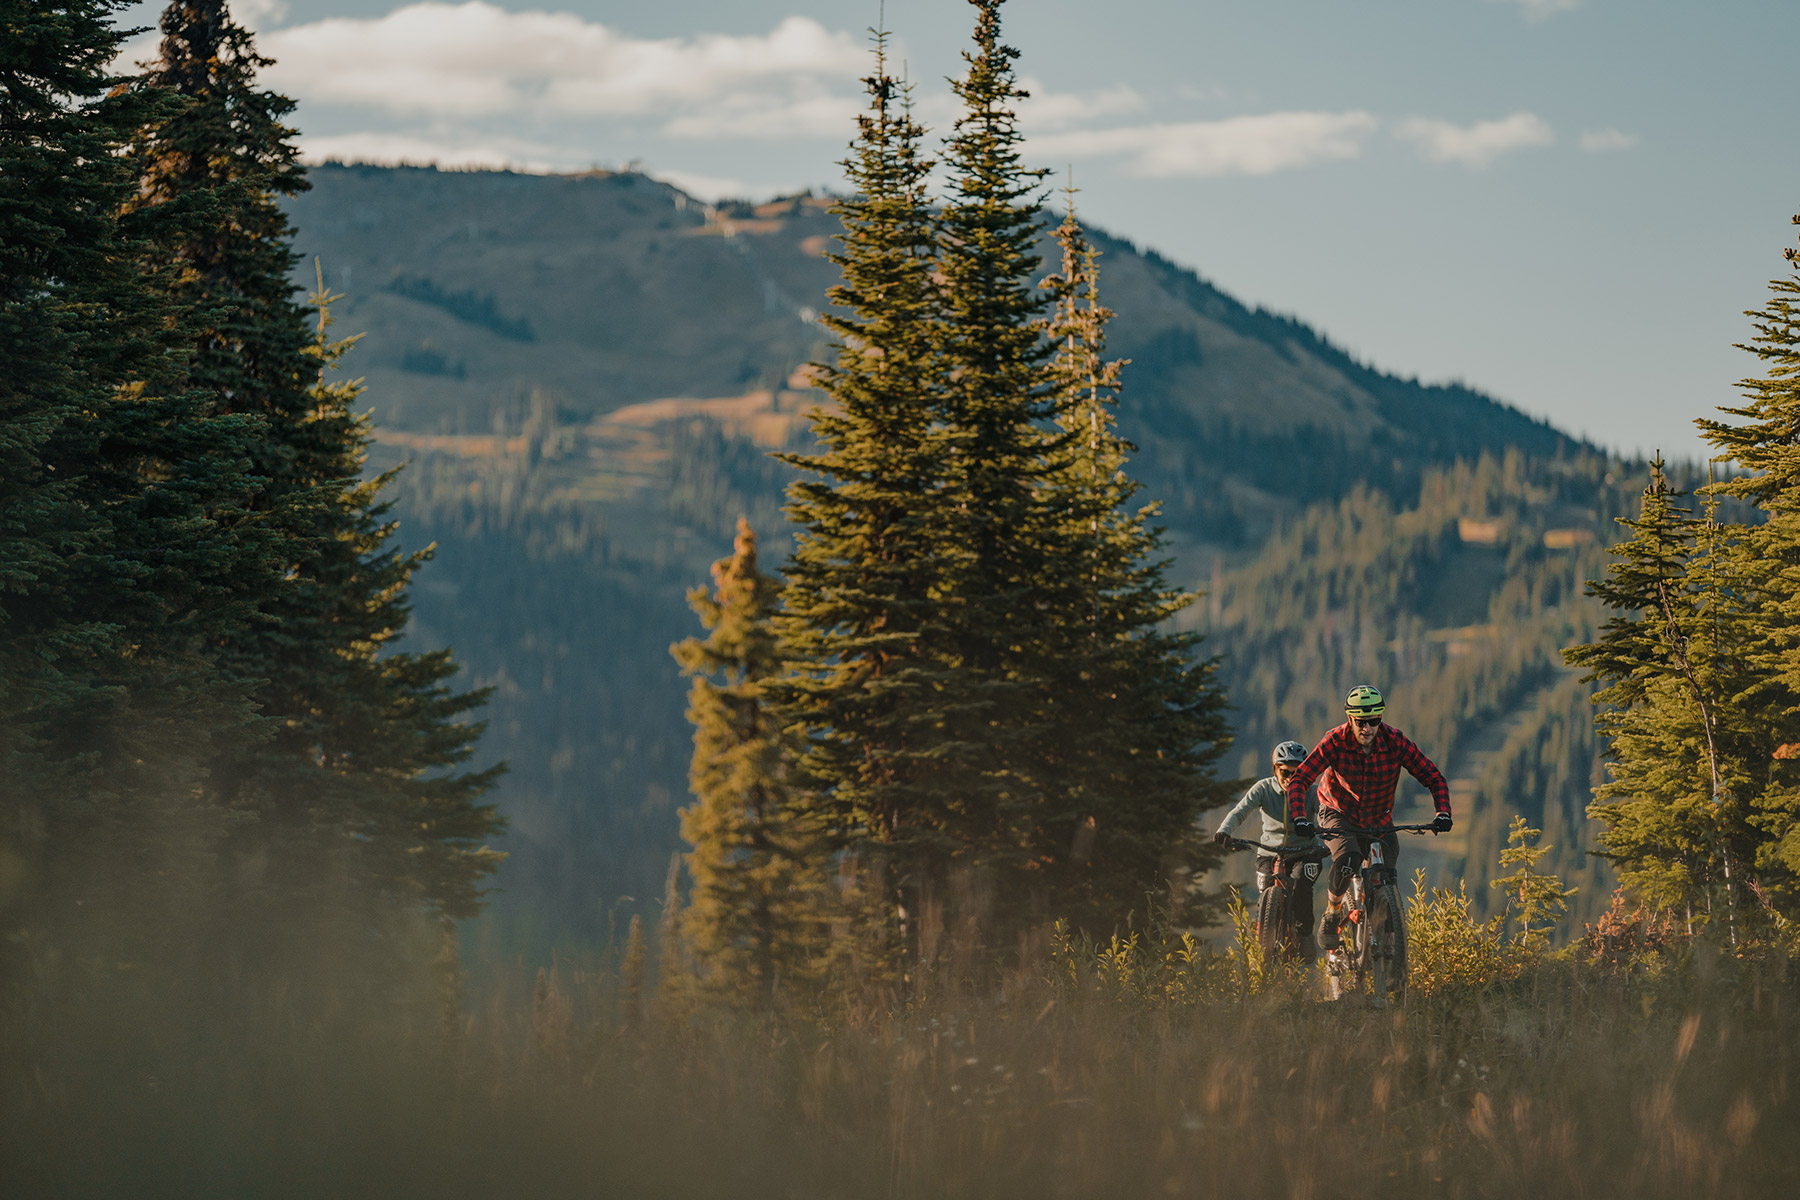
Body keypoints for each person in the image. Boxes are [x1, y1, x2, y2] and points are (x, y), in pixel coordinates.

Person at [1285, 685, 1451, 950]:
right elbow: (1301, 778)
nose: (1367, 728)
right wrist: (1300, 818)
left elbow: (1434, 777)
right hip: (1337, 812)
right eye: (1361, 722)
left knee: (1387, 875)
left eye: (1374, 721)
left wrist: (1442, 812)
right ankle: (1332, 911)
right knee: (1348, 859)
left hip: (1378, 817)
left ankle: (1390, 950)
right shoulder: (1335, 740)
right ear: (1350, 719)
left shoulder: (1395, 741)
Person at [1212, 740, 1326, 956]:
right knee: (1265, 890)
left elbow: (1324, 814)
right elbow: (1240, 811)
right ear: (1275, 769)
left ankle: (1304, 934)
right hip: (1269, 852)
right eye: (1285, 772)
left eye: (1297, 772)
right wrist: (1224, 830)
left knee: (1302, 886)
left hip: (1305, 852)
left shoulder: (1313, 792)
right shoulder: (1263, 788)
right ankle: (1264, 938)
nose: (1290, 778)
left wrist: (1325, 833)